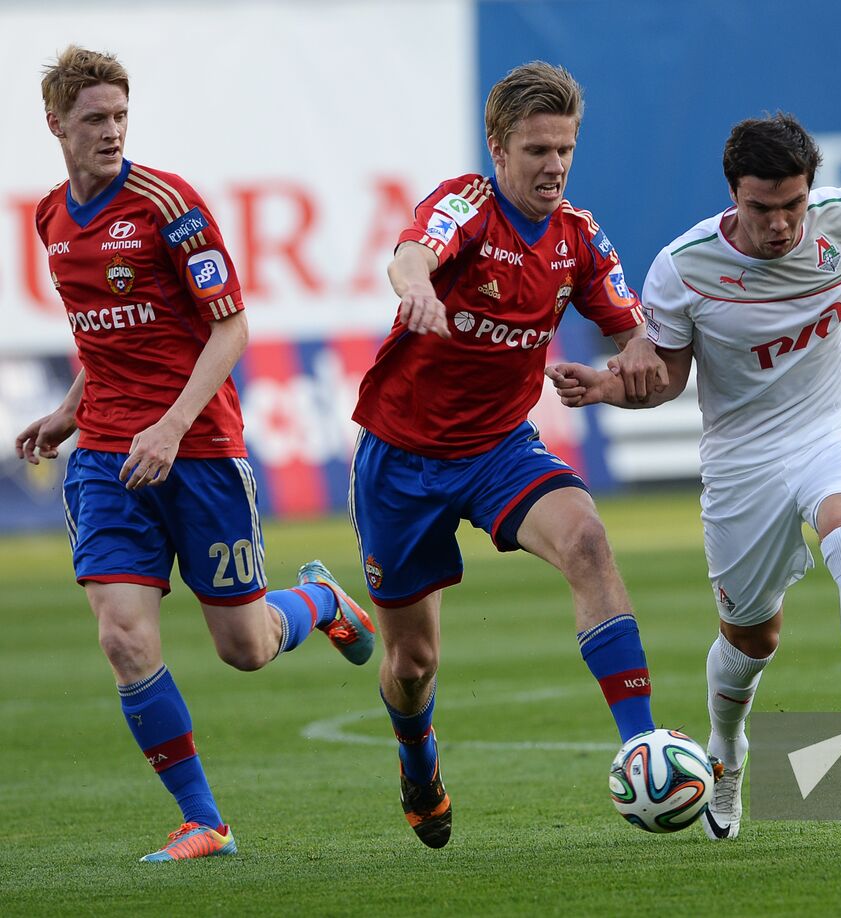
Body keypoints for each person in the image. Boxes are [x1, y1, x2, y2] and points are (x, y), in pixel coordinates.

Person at [547, 112, 841, 840]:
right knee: (752, 641)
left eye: (793, 206)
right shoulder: (684, 268)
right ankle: (727, 750)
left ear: (810, 192)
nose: (781, 225)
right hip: (743, 458)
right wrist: (610, 386)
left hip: (835, 423)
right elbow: (668, 377)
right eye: (763, 209)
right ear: (733, 198)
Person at [16, 46, 376, 863]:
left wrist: (174, 424)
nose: (111, 134)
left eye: (119, 118)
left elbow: (231, 327)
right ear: (56, 125)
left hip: (201, 449)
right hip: (109, 457)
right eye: (93, 121)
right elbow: (102, 339)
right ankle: (203, 820)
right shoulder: (51, 218)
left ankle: (318, 602)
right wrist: (71, 414)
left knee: (243, 648)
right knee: (123, 637)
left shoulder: (168, 205)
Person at [350, 61, 669, 849]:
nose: (553, 166)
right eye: (536, 151)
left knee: (589, 540)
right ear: (498, 149)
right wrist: (415, 286)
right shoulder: (466, 206)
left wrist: (619, 374)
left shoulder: (579, 237)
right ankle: (417, 759)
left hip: (498, 450)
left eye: (564, 149)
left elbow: (639, 346)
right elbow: (410, 254)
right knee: (413, 663)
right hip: (399, 460)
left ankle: (643, 746)